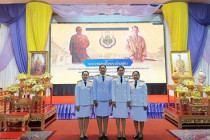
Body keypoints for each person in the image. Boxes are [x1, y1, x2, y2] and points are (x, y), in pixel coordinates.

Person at [92, 64, 112, 139]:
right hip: (98, 100)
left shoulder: (109, 78)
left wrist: (111, 99)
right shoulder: (95, 78)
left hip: (107, 100)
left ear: (106, 70)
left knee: (106, 116)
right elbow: (94, 89)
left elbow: (111, 89)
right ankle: (100, 132)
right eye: (101, 68)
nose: (103, 69)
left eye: (104, 68)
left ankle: (105, 132)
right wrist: (94, 99)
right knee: (99, 116)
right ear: (99, 70)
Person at [112, 66, 131, 140]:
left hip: (124, 100)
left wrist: (128, 100)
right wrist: (113, 100)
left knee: (123, 117)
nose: (121, 71)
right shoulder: (114, 80)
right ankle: (118, 132)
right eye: (119, 70)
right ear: (117, 71)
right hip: (116, 100)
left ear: (124, 71)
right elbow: (113, 90)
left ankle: (123, 131)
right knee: (117, 117)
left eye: (122, 70)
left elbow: (128, 91)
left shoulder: (126, 80)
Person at [75, 71, 93, 139]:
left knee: (87, 117)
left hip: (88, 103)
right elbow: (77, 95)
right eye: (84, 75)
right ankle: (81, 132)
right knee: (80, 118)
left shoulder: (90, 84)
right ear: (82, 76)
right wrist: (77, 104)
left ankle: (85, 131)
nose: (85, 76)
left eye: (86, 75)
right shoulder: (78, 84)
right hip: (80, 104)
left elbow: (92, 94)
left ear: (88, 76)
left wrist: (92, 103)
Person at [130, 71, 147, 140]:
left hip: (141, 104)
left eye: (137, 75)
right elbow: (130, 94)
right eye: (134, 75)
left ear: (139, 76)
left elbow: (145, 94)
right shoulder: (130, 84)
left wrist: (145, 104)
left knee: (141, 119)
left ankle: (141, 132)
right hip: (134, 104)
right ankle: (136, 132)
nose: (135, 76)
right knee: (135, 119)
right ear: (132, 76)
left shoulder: (143, 84)